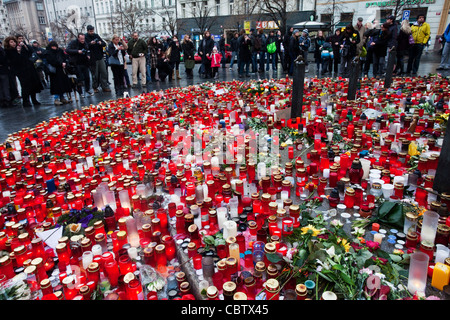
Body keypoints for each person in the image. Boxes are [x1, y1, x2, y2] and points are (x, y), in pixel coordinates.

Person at [4, 36, 43, 107]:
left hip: (29, 68)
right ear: (8, 43)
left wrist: (25, 46)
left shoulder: (20, 47)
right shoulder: (8, 51)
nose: (13, 43)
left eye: (14, 42)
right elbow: (14, 61)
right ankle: (26, 100)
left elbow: (30, 52)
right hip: (20, 70)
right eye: (11, 42)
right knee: (25, 85)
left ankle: (34, 99)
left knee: (33, 84)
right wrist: (18, 52)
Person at [44, 41, 72, 105]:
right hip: (54, 71)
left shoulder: (59, 51)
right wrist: (60, 63)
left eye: (55, 46)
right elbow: (51, 61)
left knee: (62, 84)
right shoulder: (48, 52)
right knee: (56, 85)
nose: (54, 48)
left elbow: (64, 57)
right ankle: (56, 99)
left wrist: (64, 62)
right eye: (53, 47)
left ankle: (62, 97)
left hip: (61, 69)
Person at [85, 25, 110, 93]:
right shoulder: (85, 37)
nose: (92, 32)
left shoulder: (96, 36)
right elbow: (86, 46)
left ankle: (104, 86)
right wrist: (91, 43)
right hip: (93, 58)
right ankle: (95, 87)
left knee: (104, 72)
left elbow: (104, 44)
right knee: (95, 74)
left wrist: (100, 43)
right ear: (87, 31)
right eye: (90, 31)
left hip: (100, 56)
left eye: (92, 31)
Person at [0, 40, 12, 108]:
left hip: (4, 71)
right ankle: (6, 100)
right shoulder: (3, 51)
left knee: (4, 87)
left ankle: (5, 100)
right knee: (5, 87)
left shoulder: (3, 51)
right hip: (4, 71)